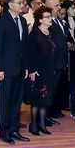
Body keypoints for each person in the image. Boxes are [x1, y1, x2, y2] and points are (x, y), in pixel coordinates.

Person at [0, 0, 29, 144]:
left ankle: (14, 130)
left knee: (17, 101)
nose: (22, 5)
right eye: (19, 3)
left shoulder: (22, 20)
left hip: (20, 68)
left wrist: (26, 67)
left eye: (23, 3)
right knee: (5, 101)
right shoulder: (2, 21)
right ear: (10, 4)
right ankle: (4, 131)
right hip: (6, 69)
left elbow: (25, 46)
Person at [25, 7, 58, 135]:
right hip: (38, 71)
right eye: (47, 17)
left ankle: (42, 124)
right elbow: (30, 54)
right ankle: (34, 125)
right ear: (40, 20)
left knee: (46, 98)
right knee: (37, 99)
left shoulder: (51, 32)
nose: (50, 19)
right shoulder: (34, 34)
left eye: (50, 16)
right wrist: (32, 70)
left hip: (49, 69)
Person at [46, 0, 70, 120]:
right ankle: (48, 113)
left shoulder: (59, 20)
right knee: (51, 88)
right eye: (56, 5)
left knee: (58, 87)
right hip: (53, 60)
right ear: (49, 7)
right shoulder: (47, 21)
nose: (59, 7)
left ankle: (55, 109)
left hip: (62, 59)